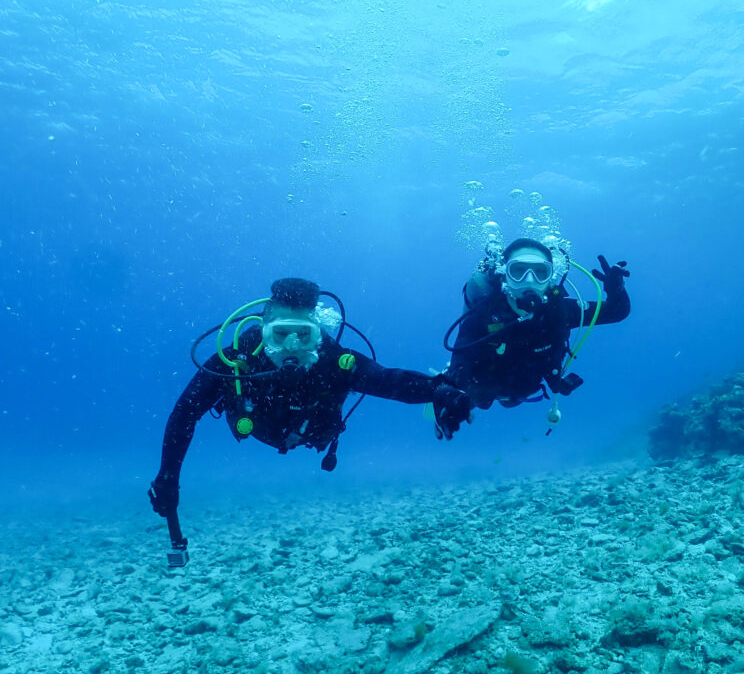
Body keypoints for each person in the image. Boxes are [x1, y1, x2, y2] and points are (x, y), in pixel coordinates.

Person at [148, 278, 472, 564]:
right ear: (264, 331)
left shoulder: (334, 361)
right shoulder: (235, 362)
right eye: (280, 334)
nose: (292, 346)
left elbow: (387, 380)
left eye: (304, 335)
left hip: (311, 433)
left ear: (317, 334)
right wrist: (167, 476)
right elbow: (184, 414)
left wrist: (437, 390)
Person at [444, 237, 630, 413]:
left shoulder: (561, 311)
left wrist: (617, 290)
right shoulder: (485, 314)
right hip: (485, 387)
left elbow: (617, 311)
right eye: (518, 271)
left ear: (550, 279)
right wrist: (450, 394)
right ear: (504, 276)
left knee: (512, 402)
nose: (530, 280)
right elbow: (460, 361)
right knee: (479, 400)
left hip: (527, 386)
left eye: (540, 272)